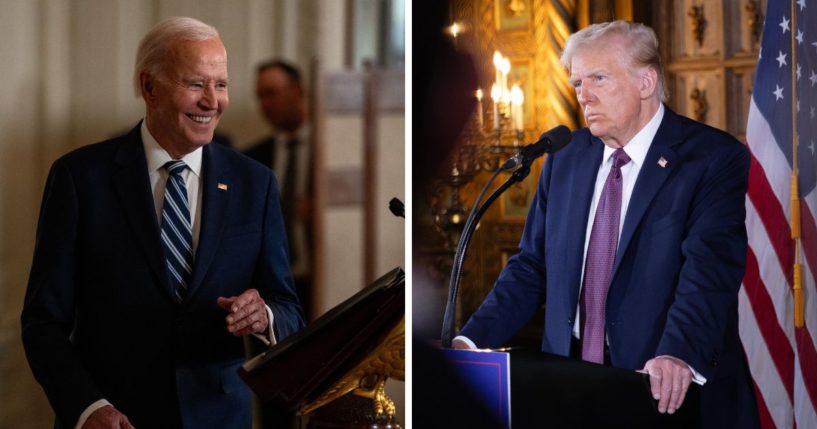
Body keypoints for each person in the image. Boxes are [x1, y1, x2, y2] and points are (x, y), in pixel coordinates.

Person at [454, 21, 759, 428]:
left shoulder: (711, 158)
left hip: (660, 389)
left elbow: (708, 272)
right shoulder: (565, 157)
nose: (584, 94)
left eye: (598, 78)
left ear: (646, 82)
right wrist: (470, 342)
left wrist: (678, 353)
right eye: (578, 82)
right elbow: (531, 267)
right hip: (569, 385)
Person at [21, 17, 304, 429]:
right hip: (115, 417)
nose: (213, 101)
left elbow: (289, 308)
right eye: (195, 84)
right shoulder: (80, 178)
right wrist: (86, 408)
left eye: (221, 84)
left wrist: (265, 316)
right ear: (149, 87)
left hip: (218, 417)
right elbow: (43, 322)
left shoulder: (254, 182)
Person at [244, 60, 314, 321]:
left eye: (271, 94)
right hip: (273, 288)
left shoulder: (333, 151)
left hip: (325, 279)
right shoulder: (252, 158)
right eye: (260, 97)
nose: (265, 105)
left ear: (297, 91)